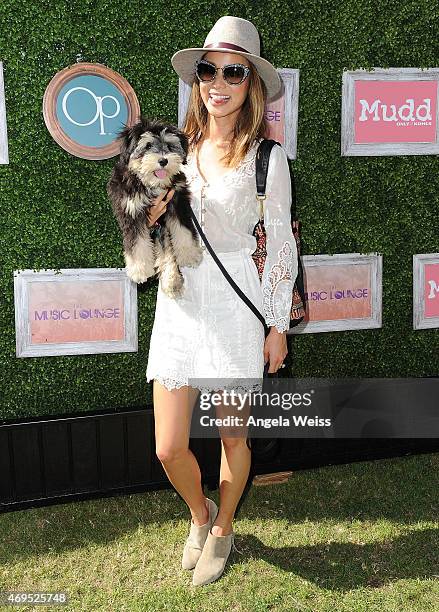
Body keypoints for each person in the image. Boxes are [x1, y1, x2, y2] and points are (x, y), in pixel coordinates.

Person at [145, 16, 298, 586]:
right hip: (181, 300)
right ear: (198, 80)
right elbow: (147, 232)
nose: (218, 82)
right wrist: (154, 218)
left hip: (237, 306)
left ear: (250, 83)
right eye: (209, 70)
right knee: (168, 447)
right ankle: (199, 511)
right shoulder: (173, 150)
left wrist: (276, 324)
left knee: (234, 435)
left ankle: (224, 527)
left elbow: (280, 243)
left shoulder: (267, 158)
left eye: (233, 71)